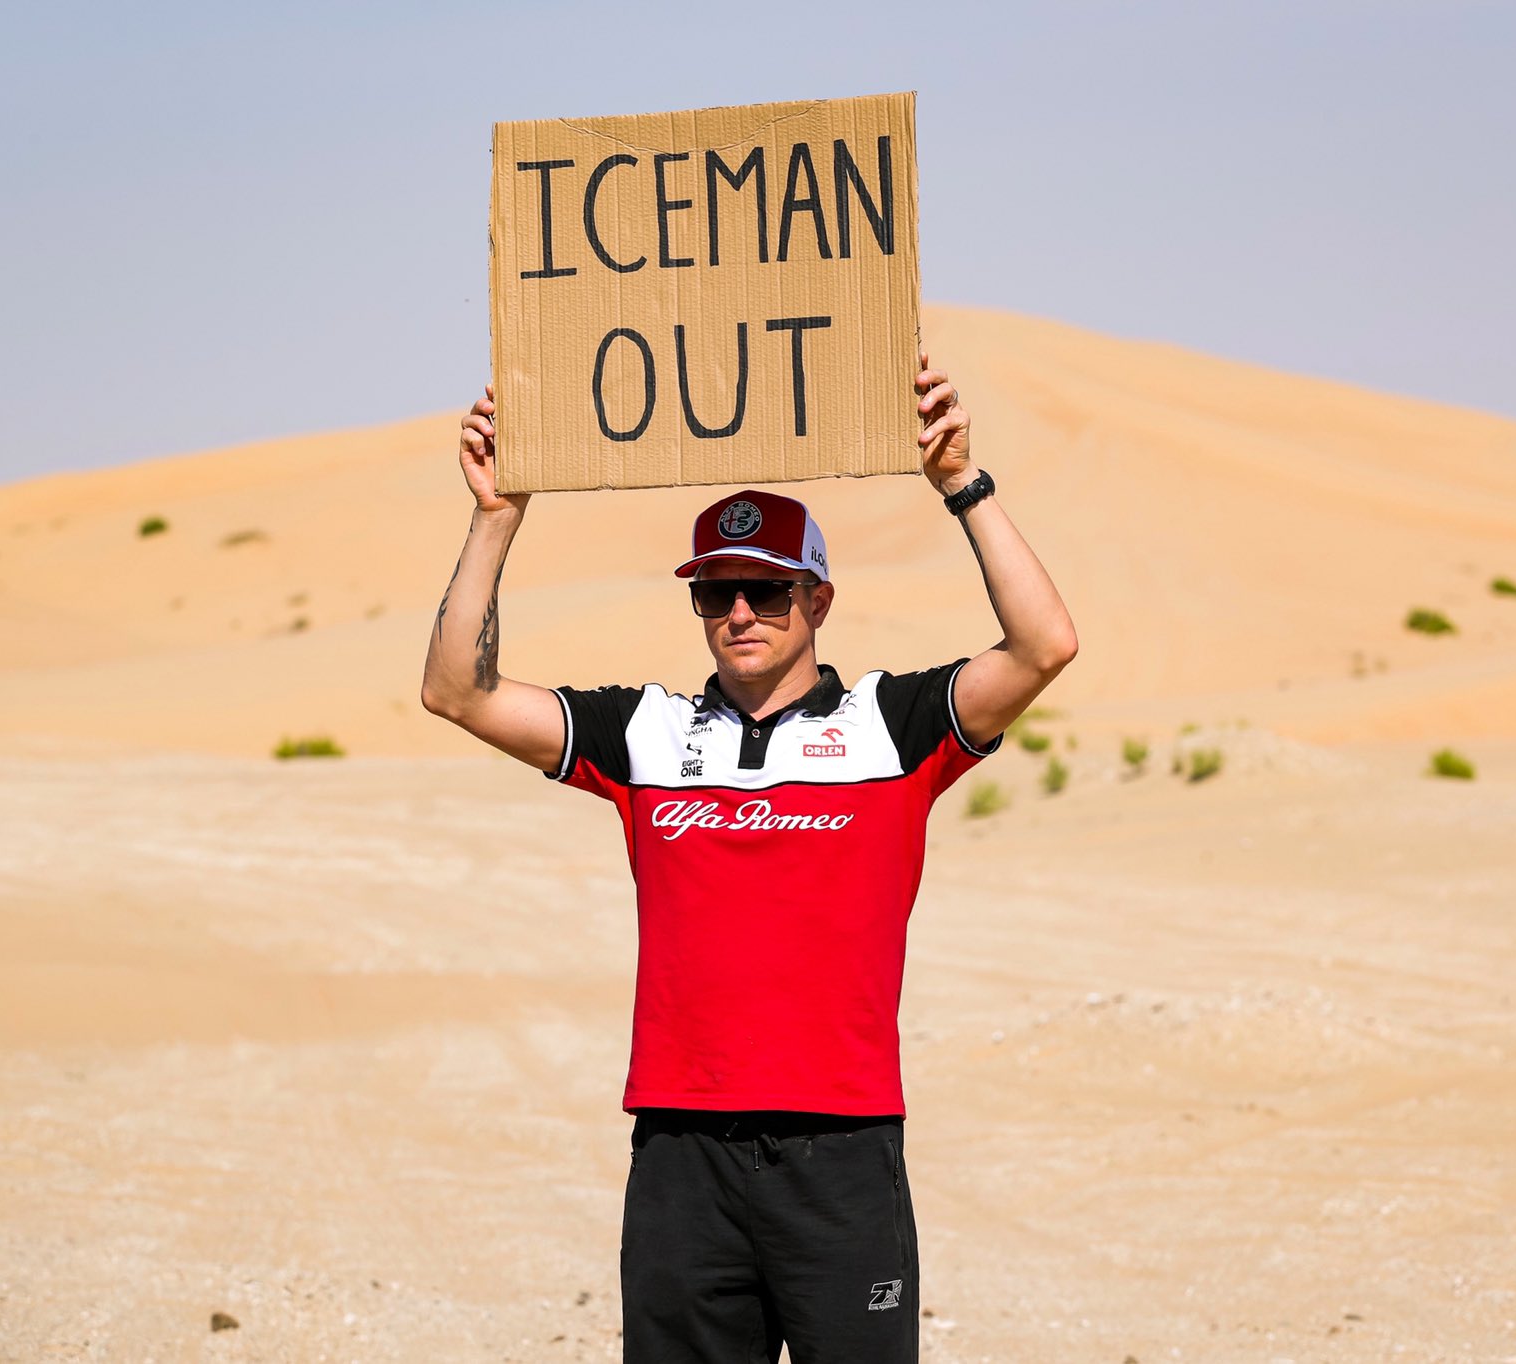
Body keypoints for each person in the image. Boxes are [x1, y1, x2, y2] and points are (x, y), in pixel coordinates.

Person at [420, 352, 1077, 1363]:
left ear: (816, 597)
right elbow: (457, 693)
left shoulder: (891, 725)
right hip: (681, 1153)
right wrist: (495, 516)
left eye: (766, 591)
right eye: (716, 591)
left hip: (841, 1152)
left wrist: (959, 483)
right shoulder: (644, 732)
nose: (738, 613)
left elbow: (1042, 646)